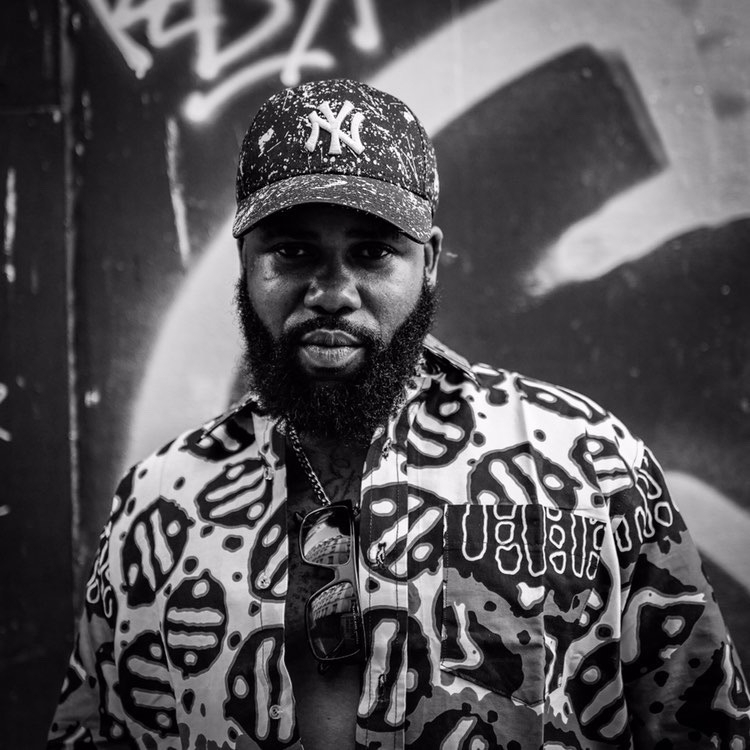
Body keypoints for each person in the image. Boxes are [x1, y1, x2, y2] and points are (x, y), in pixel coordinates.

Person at [48, 78, 750, 749]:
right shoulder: (158, 500)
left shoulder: (583, 466)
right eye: (291, 252)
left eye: (372, 253)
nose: (332, 292)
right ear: (246, 262)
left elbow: (707, 728)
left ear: (430, 261)